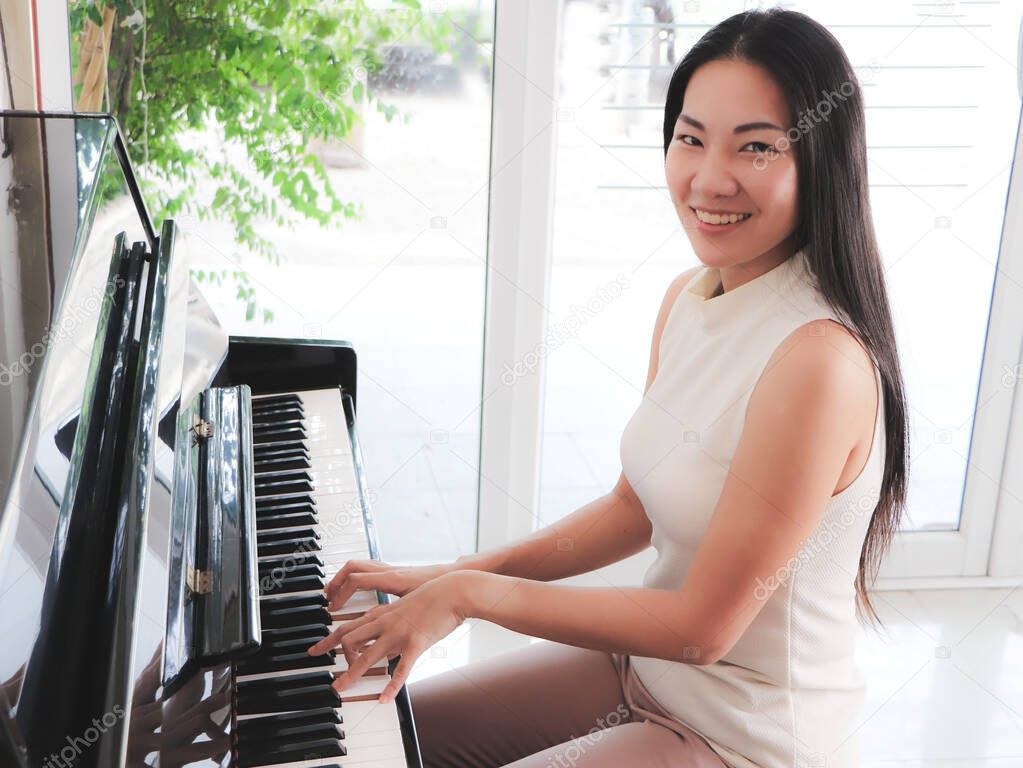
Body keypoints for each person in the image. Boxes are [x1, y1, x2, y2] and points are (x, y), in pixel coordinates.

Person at [308, 8, 909, 767]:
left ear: (821, 159)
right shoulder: (691, 297)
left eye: (756, 147)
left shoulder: (818, 362)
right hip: (642, 670)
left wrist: (469, 597)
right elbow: (631, 508)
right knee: (372, 738)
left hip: (738, 733)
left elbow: (702, 627)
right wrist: (448, 574)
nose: (708, 178)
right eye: (690, 138)